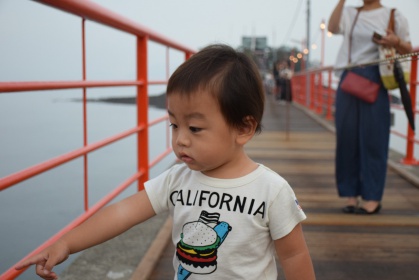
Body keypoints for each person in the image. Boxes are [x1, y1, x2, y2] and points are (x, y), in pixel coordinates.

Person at [15, 44, 315, 280]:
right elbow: (122, 213)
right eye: (174, 125)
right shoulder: (177, 180)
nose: (181, 139)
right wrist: (66, 244)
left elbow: (293, 257)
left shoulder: (271, 190)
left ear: (243, 128)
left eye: (195, 128)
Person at [328, 0, 412, 214]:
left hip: (377, 78)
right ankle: (349, 194)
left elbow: (408, 48)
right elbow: (332, 28)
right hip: (350, 76)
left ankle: (372, 197)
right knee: (346, 139)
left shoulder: (393, 15)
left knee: (375, 140)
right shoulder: (349, 13)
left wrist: (394, 41)